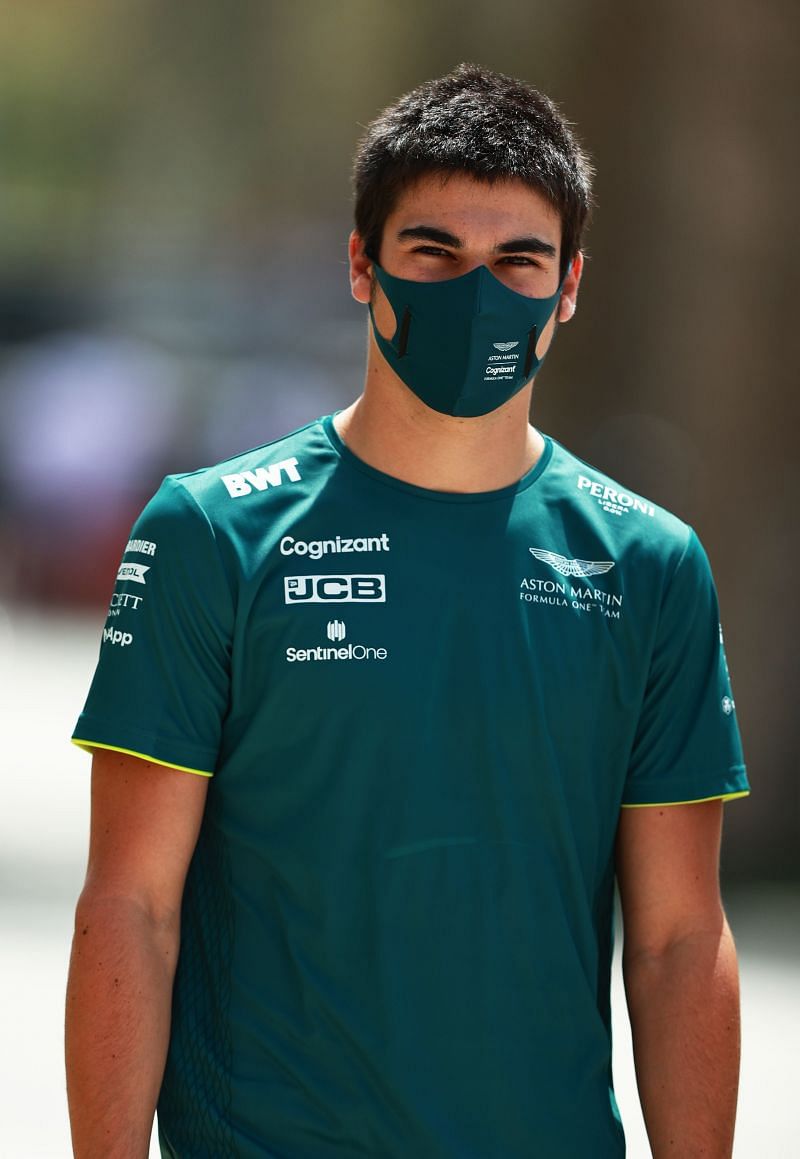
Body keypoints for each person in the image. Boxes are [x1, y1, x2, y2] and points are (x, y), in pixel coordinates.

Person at [65, 63, 749, 1158]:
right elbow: (132, 906)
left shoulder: (647, 565)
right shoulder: (209, 534)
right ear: (359, 265)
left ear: (568, 285)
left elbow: (676, 939)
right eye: (433, 251)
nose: (475, 289)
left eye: (516, 260)